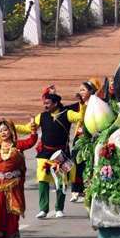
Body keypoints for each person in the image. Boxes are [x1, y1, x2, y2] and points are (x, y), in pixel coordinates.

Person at [16, 90, 86, 219]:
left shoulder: (68, 114)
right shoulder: (41, 116)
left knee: (61, 181)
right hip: (44, 154)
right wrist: (11, 126)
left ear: (55, 103)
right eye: (44, 103)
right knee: (42, 179)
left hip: (61, 154)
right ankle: (43, 209)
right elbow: (28, 128)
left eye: (47, 103)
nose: (45, 106)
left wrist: (82, 104)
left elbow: (81, 117)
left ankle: (59, 208)